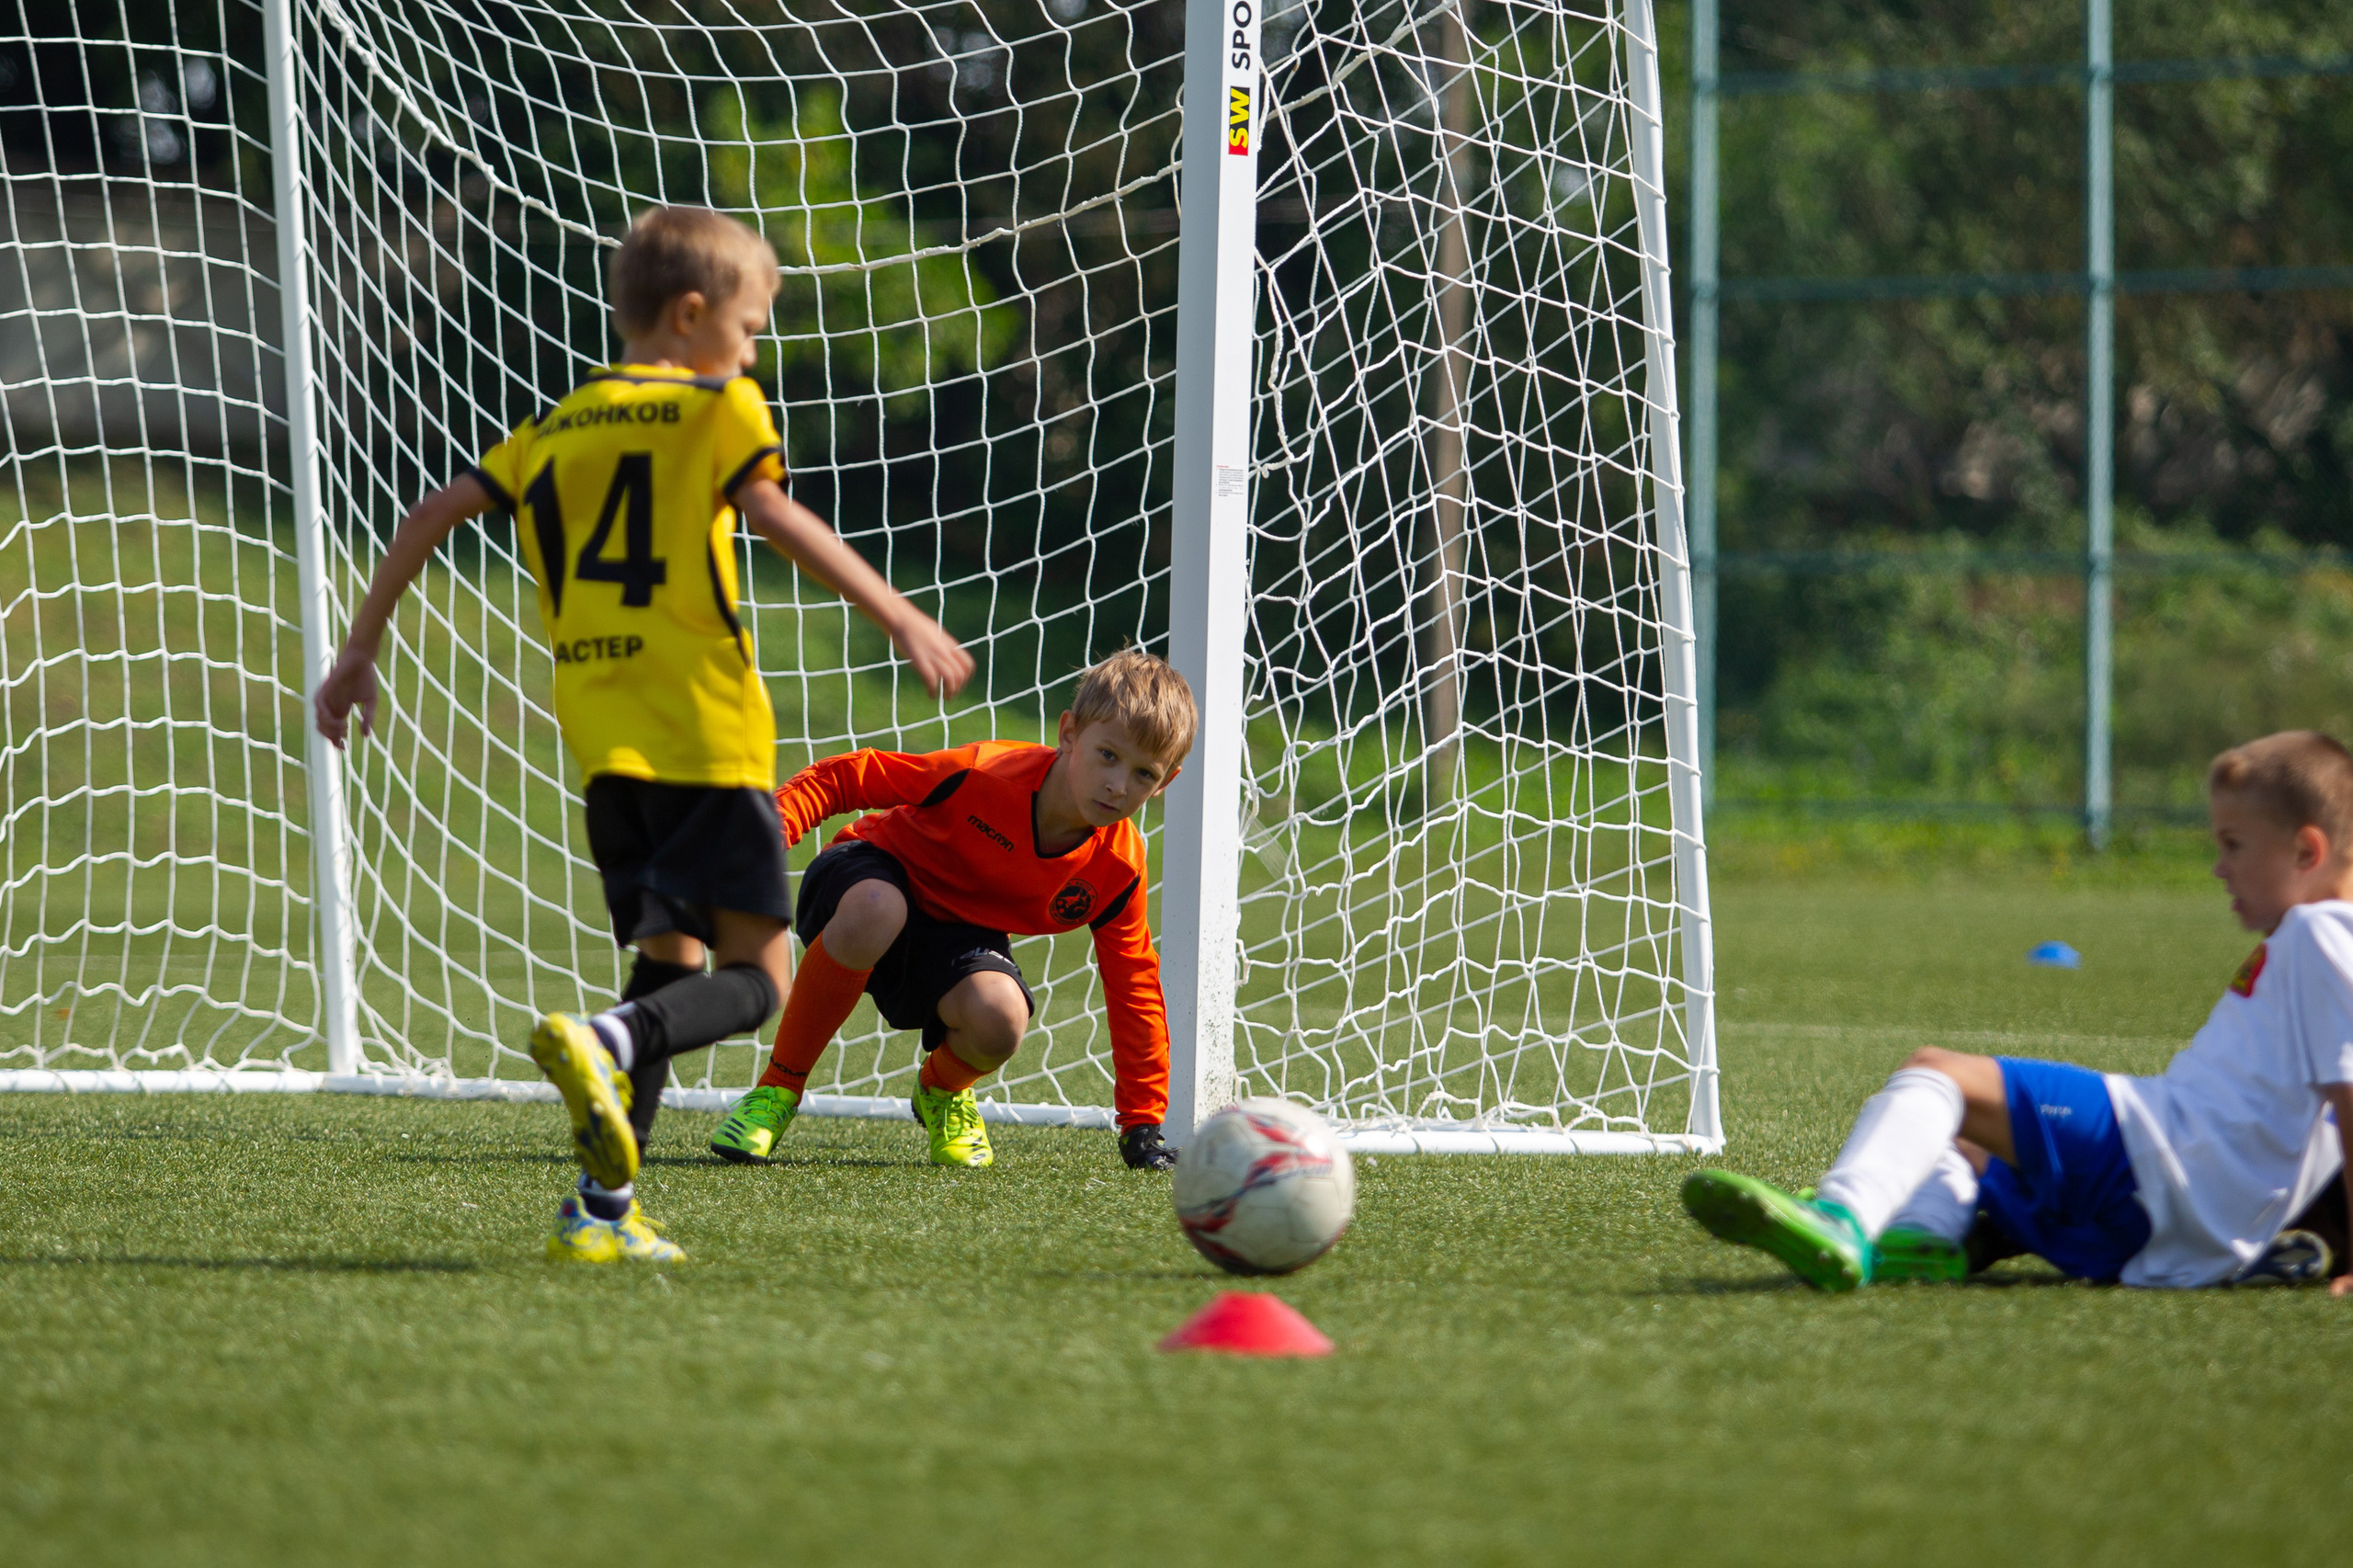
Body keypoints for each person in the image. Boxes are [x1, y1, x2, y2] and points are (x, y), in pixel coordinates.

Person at [313, 206, 972, 1263]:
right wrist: (899, 613)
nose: (753, 351)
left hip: (606, 751)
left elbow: (427, 515)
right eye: (752, 328)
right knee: (760, 982)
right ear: (693, 314)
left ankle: (601, 1208)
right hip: (707, 742)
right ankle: (602, 1042)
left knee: (668, 968)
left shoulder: (560, 424)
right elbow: (772, 512)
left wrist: (357, 654)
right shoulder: (718, 406)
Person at [1683, 729, 2353, 1294]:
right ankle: (1924, 1240)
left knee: (1938, 1072)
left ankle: (1844, 1216)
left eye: (2234, 845)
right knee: (1975, 1141)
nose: (2218, 868)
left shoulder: (2322, 934)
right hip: (2183, 1230)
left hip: (2168, 1161)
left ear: (2305, 851)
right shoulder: (2318, 942)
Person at [708, 648, 1194, 1172]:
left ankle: (941, 1091)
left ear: (1166, 783)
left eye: (1145, 774)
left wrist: (1141, 1121)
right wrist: (767, 838)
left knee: (1002, 1018)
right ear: (1070, 733)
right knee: (877, 907)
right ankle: (777, 1090)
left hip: (955, 935)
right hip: (869, 876)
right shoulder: (983, 772)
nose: (1119, 786)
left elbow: (1134, 984)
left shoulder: (1117, 867)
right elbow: (849, 777)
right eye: (1108, 756)